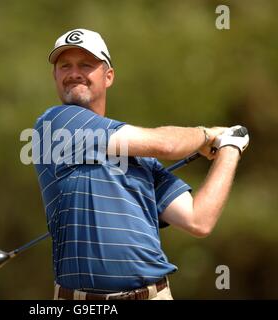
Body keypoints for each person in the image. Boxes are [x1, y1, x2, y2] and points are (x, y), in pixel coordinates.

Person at [33, 28, 249, 300]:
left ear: (108, 76)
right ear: (55, 76)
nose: (74, 72)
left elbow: (198, 219)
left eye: (85, 64)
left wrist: (230, 148)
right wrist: (207, 134)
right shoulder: (56, 123)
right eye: (65, 66)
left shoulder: (140, 157)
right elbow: (167, 146)